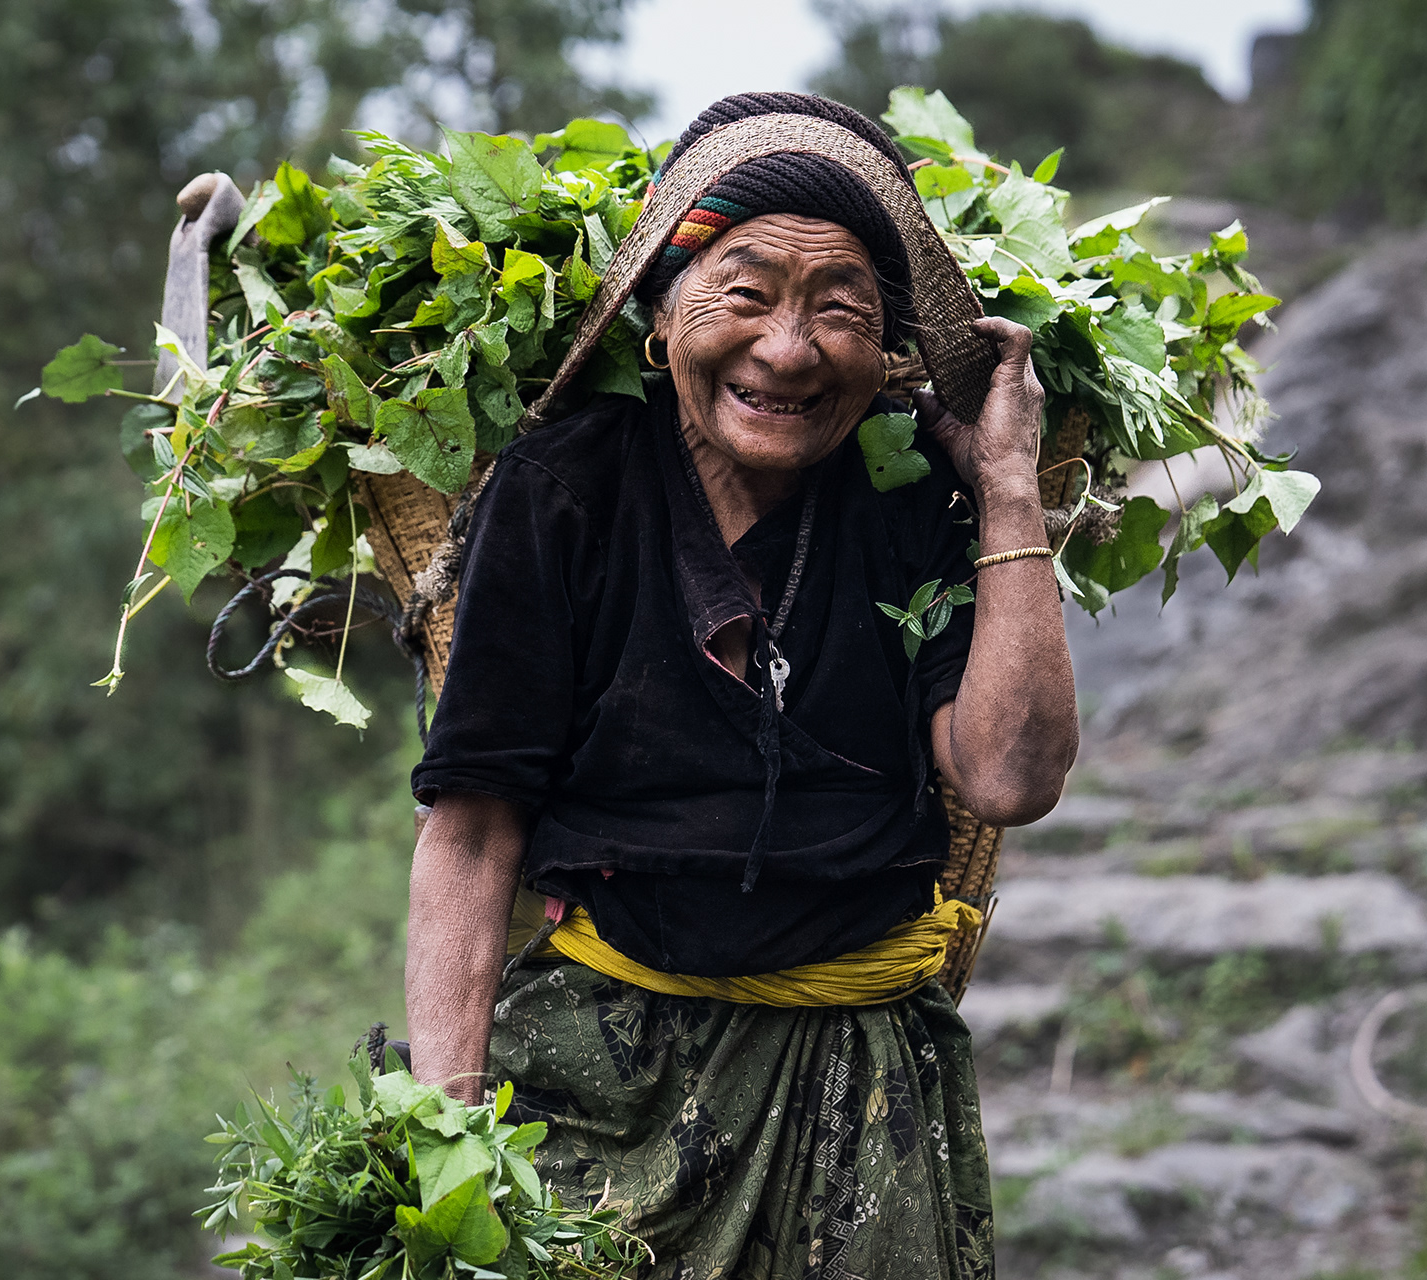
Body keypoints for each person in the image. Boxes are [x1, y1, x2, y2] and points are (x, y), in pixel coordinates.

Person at [405, 92, 1078, 1279]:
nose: (787, 348)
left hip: (860, 1083)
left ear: (886, 353)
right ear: (662, 316)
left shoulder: (912, 490)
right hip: (600, 1074)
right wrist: (447, 1134)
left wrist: (1008, 489)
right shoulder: (569, 488)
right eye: (746, 291)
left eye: (839, 311)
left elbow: (1010, 776)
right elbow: (473, 826)